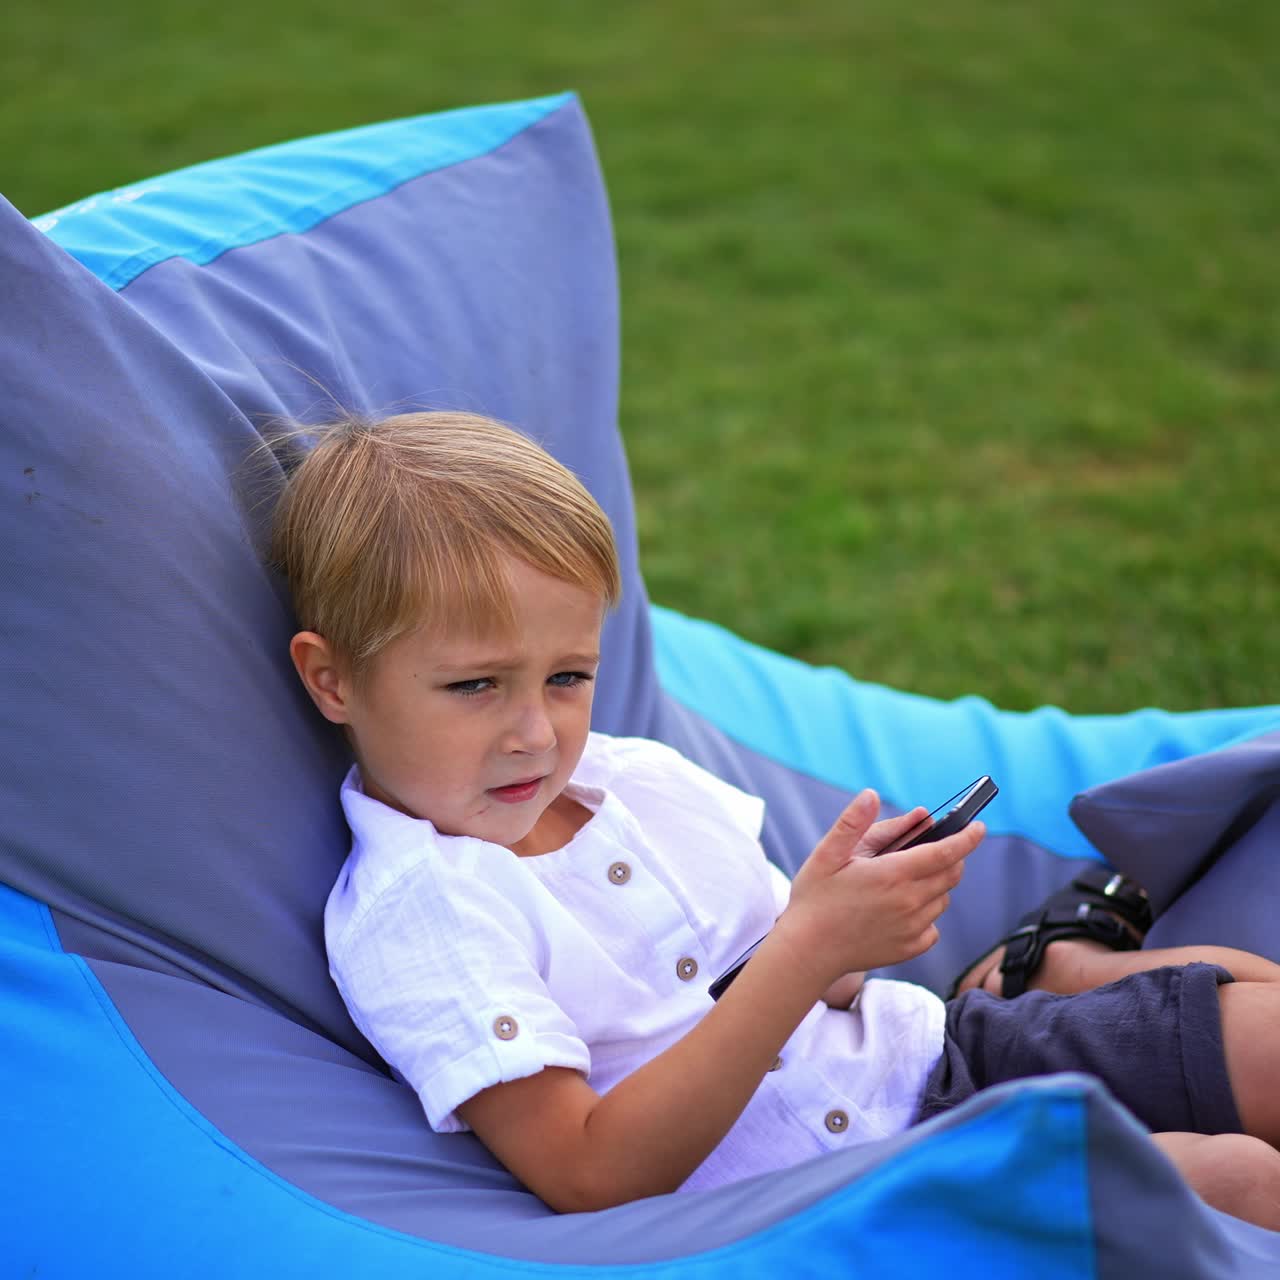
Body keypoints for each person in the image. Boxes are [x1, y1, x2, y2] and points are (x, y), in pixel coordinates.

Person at [272, 409, 1280, 1229]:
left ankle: (1034, 971)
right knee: (1235, 1181)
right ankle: (1055, 971)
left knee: (1264, 1034)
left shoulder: (638, 781)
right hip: (857, 1192)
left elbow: (811, 982)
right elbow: (586, 1170)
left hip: (940, 1055)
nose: (534, 731)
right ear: (332, 678)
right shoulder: (424, 911)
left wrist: (839, 913)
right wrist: (806, 949)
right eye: (475, 684)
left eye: (568, 674)